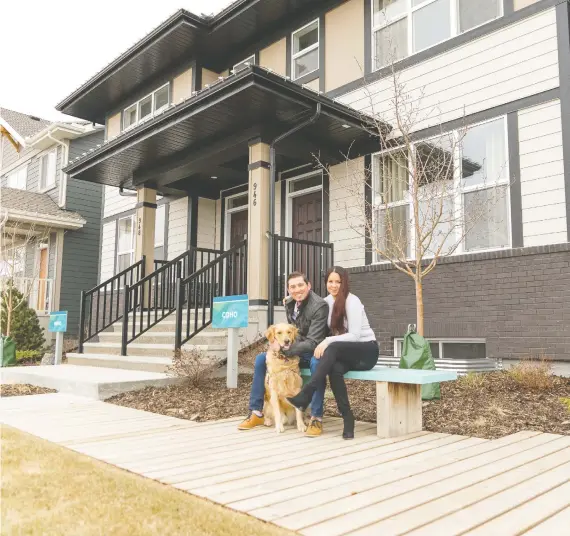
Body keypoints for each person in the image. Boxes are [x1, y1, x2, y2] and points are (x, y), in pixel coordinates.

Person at [287, 266, 378, 440]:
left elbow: (355, 335)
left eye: (338, 281)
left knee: (332, 347)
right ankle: (348, 419)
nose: (334, 285)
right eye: (330, 281)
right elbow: (306, 308)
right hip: (345, 353)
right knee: (334, 369)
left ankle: (306, 394)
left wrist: (327, 341)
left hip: (366, 350)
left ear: (344, 282)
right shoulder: (326, 302)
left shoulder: (353, 301)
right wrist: (290, 301)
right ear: (325, 283)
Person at [237, 271, 329, 437]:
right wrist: (278, 345)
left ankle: (316, 417)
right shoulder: (290, 302)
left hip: (312, 350)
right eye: (292, 286)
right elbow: (289, 332)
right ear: (288, 289)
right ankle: (256, 411)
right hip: (293, 348)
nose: (297, 289)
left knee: (317, 365)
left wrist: (285, 349)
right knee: (260, 360)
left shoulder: (319, 306)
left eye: (300, 285)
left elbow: (313, 341)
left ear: (308, 286)